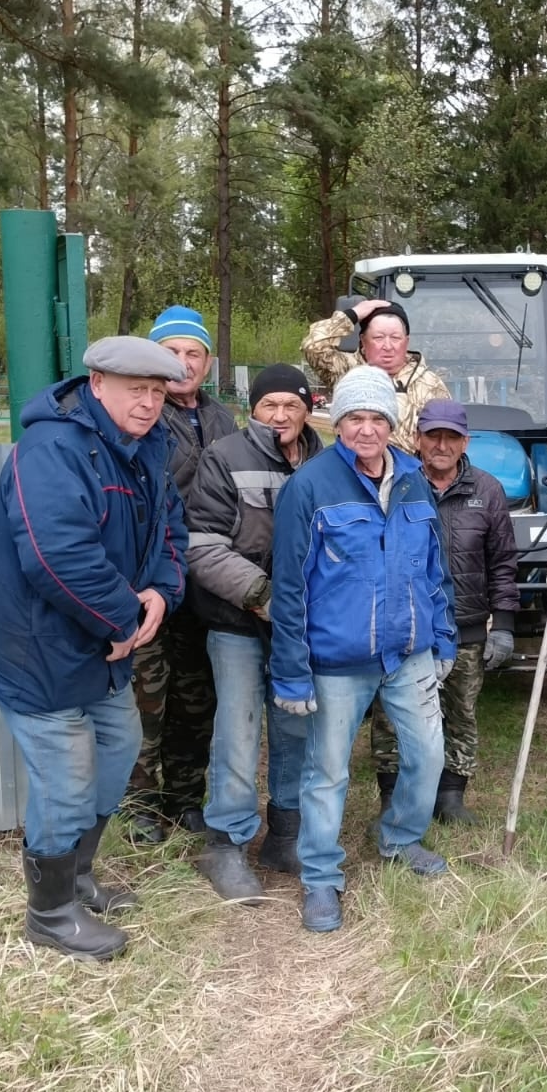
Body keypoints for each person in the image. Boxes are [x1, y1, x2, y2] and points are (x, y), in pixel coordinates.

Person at [0, 336, 189, 960]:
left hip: (100, 646)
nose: (148, 404)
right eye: (135, 391)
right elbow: (56, 556)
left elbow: (171, 530)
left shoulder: (146, 450)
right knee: (66, 783)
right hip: (35, 651)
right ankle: (51, 915)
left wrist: (162, 597)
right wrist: (122, 622)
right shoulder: (53, 448)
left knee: (119, 750)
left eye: (157, 392)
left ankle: (78, 872)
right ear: (97, 385)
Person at [269, 366, 456, 933]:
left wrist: (442, 635)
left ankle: (400, 838)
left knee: (428, 755)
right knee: (326, 773)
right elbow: (290, 588)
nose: (367, 430)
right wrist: (292, 673)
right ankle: (321, 878)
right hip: (336, 663)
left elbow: (434, 569)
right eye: (355, 418)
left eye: (378, 418)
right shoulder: (310, 487)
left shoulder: (413, 480)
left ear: (393, 423)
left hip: (409, 655)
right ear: (337, 422)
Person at [184, 365, 324, 902]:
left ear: (308, 409)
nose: (281, 415)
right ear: (253, 409)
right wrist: (265, 597)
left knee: (295, 730)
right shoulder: (226, 457)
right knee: (238, 735)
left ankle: (285, 836)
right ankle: (225, 844)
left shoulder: (325, 462)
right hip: (238, 621)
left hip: (303, 631)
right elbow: (202, 546)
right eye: (271, 406)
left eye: (292, 405)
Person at [370, 398, 519, 826]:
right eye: (432, 435)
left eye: (450, 437)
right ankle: (391, 793)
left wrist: (503, 626)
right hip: (407, 625)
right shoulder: (397, 483)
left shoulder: (487, 490)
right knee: (391, 715)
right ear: (417, 439)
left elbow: (504, 564)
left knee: (461, 712)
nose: (441, 444)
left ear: (465, 441)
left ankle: (451, 795)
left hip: (466, 626)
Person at [123, 306, 237, 843]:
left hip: (205, 583)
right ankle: (141, 804)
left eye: (194, 354)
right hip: (147, 577)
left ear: (209, 362)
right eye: (173, 353)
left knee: (197, 697)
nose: (184, 363)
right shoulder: (139, 413)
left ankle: (185, 796)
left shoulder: (224, 419)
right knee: (147, 695)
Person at [301, 298, 449, 454]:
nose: (388, 346)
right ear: (363, 341)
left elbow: (444, 438)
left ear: (406, 342)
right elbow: (312, 346)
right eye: (378, 338)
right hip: (353, 473)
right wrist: (353, 314)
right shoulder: (346, 371)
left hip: (410, 474)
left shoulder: (430, 383)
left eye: (395, 338)